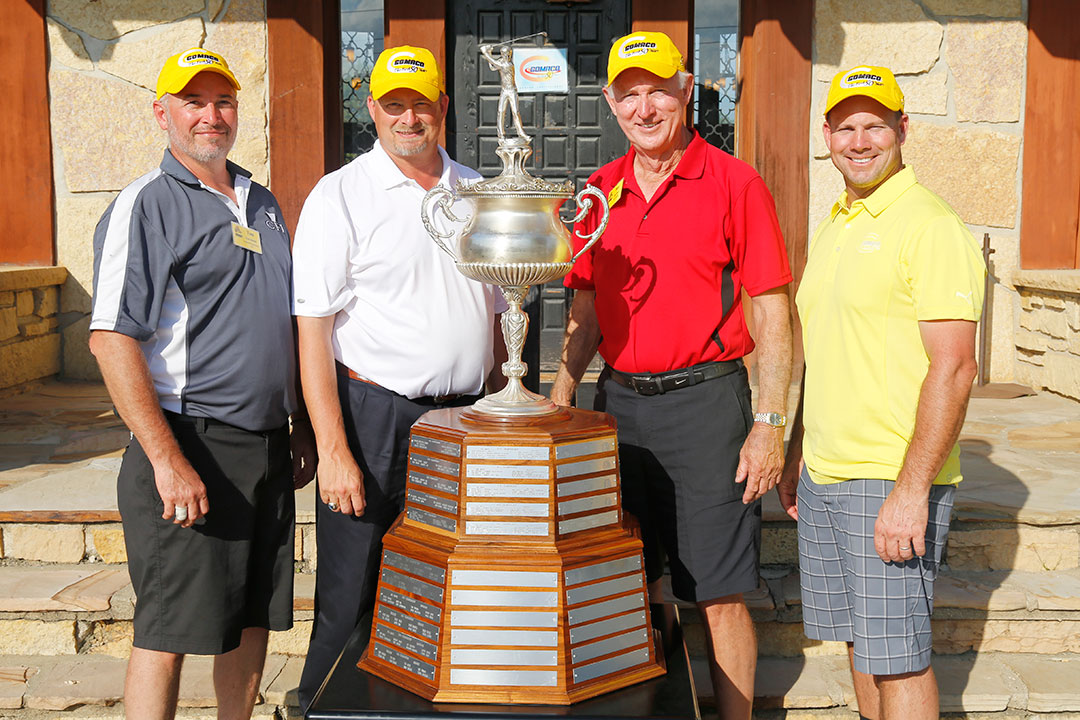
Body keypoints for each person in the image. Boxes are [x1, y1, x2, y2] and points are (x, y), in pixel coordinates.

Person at [551, 31, 793, 719]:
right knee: (633, 580)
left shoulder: (734, 182)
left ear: (686, 92)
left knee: (717, 591)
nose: (645, 106)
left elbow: (773, 312)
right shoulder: (600, 192)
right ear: (610, 103)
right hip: (618, 409)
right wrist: (562, 396)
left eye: (658, 89)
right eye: (629, 94)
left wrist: (769, 423)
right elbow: (587, 309)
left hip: (707, 407)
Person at [88, 47, 315, 720]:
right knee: (169, 631)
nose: (211, 116)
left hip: (267, 449)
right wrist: (166, 459)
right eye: (194, 101)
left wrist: (298, 424)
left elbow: (282, 324)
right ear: (163, 113)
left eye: (223, 102)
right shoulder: (146, 204)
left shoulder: (262, 200)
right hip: (193, 447)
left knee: (249, 620)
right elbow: (111, 337)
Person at [292, 45, 505, 709]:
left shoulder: (477, 192)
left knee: (456, 587)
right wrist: (333, 451)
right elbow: (313, 331)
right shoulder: (340, 195)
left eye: (421, 103)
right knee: (353, 589)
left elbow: (501, 316)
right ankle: (321, 707)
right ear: (372, 110)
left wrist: (504, 410)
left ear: (443, 106)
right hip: (374, 415)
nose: (408, 117)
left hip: (466, 418)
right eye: (394, 104)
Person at [778, 65, 985, 720]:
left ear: (903, 130)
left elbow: (954, 368)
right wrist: (797, 451)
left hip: (888, 480)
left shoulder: (930, 225)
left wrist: (912, 490)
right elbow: (830, 354)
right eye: (845, 127)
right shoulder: (838, 221)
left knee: (899, 659)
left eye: (874, 125)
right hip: (826, 477)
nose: (859, 140)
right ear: (827, 136)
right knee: (864, 650)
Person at [479, 43, 528, 141]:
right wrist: (489, 53)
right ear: (502, 54)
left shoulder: (508, 65)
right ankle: (500, 134)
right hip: (504, 91)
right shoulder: (502, 62)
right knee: (501, 111)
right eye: (505, 54)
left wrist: (486, 52)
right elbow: (493, 67)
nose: (508, 56)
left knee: (515, 111)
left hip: (511, 90)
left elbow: (495, 63)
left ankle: (521, 133)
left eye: (509, 54)